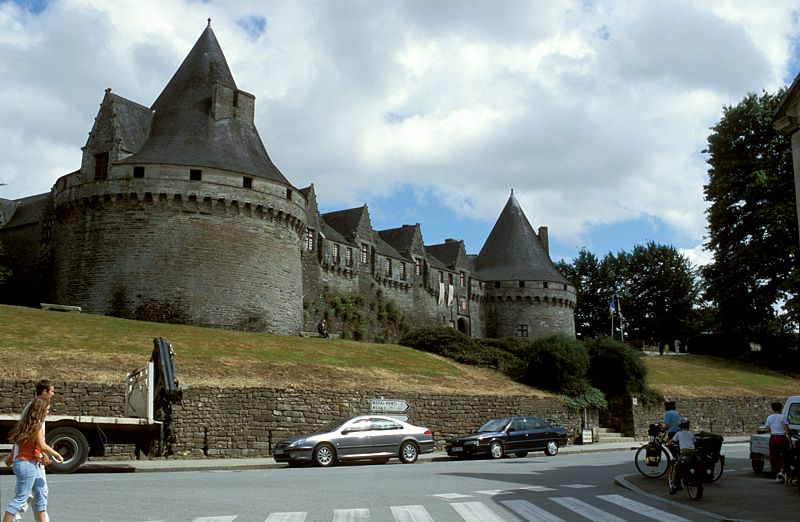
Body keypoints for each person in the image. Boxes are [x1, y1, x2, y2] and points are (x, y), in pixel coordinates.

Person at [3, 397, 63, 522]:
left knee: (41, 493)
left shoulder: (25, 424)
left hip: (31, 463)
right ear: (40, 410)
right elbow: (42, 446)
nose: (47, 412)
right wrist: (56, 454)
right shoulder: (36, 426)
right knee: (20, 498)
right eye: (46, 410)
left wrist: (11, 457)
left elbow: (18, 444)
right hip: (26, 464)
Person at [765, 401, 791, 483]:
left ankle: (777, 475)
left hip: (773, 438)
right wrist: (790, 441)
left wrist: (773, 429)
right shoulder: (783, 417)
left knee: (774, 457)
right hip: (782, 437)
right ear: (781, 408)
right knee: (784, 455)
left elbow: (767, 429)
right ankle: (782, 471)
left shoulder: (769, 418)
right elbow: (787, 430)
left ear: (772, 409)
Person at [668, 417, 696, 494]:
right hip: (693, 452)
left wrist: (667, 444)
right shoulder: (691, 434)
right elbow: (694, 442)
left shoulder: (679, 433)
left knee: (677, 468)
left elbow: (671, 442)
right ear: (688, 426)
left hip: (684, 452)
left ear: (680, 426)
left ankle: (674, 486)